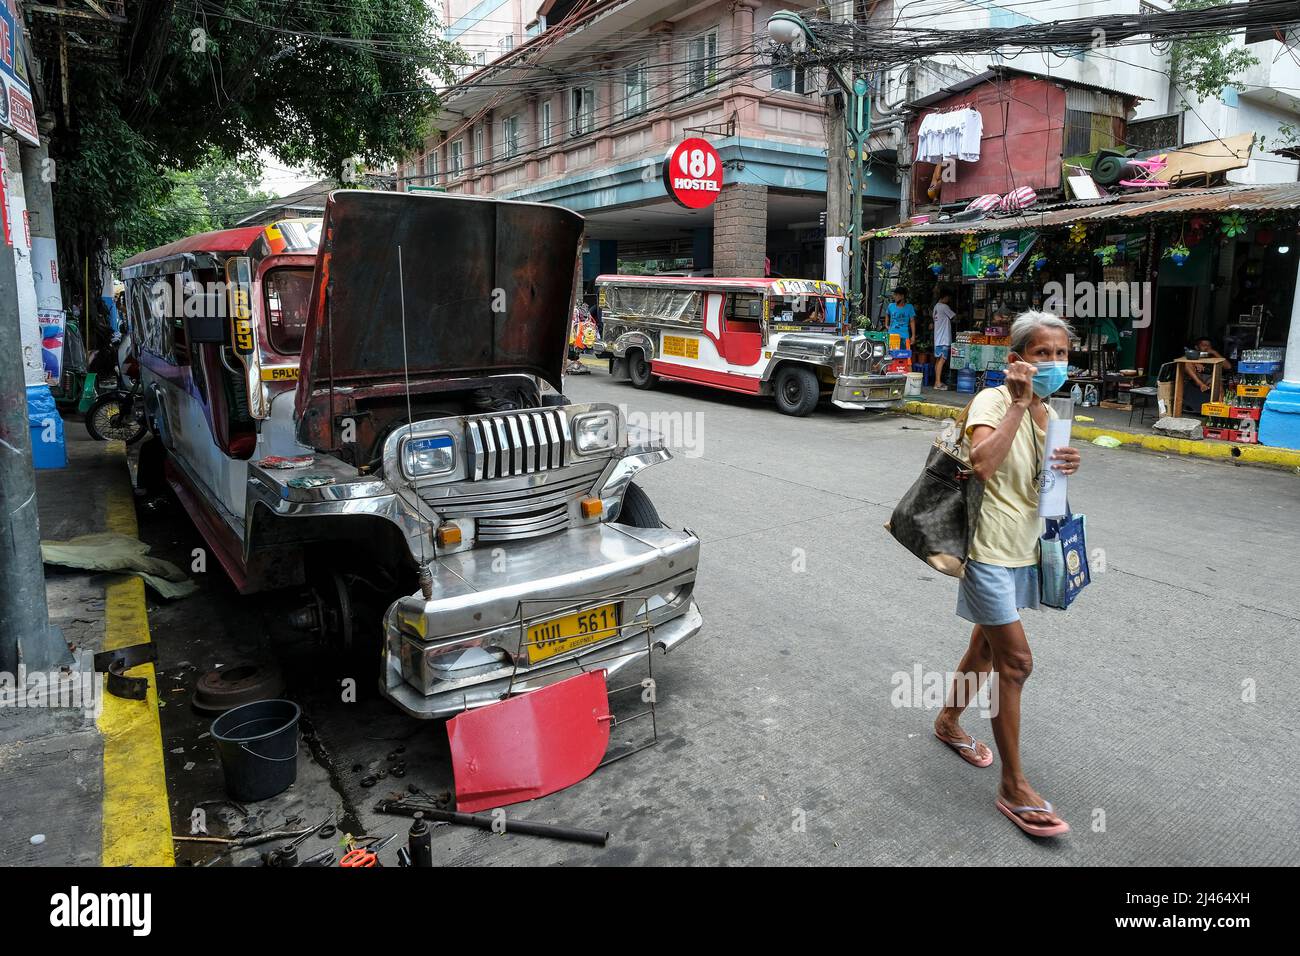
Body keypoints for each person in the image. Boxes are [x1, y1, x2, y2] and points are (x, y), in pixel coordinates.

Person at [931, 309, 1082, 838]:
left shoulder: (1049, 412)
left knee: (986, 650)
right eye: (1044, 353)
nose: (1055, 363)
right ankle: (1014, 787)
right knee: (1016, 663)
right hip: (988, 549)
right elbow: (984, 465)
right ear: (1017, 359)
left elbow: (1041, 485)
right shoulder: (995, 401)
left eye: (1062, 353)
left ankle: (948, 722)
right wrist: (1019, 404)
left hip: (1025, 549)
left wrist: (1065, 466)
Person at [1181, 336, 1227, 413]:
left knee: (1219, 385)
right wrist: (1195, 363)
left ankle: (1219, 412)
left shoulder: (1213, 355)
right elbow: (1183, 360)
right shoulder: (1192, 354)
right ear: (1197, 347)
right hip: (1197, 378)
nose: (1206, 347)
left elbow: (1228, 366)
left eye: (1208, 345)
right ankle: (1200, 384)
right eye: (1204, 345)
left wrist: (1215, 353)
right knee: (1187, 363)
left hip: (1209, 377)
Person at [931, 288, 955, 389]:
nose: (948, 300)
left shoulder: (936, 307)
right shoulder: (944, 307)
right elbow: (954, 316)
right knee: (942, 360)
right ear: (945, 297)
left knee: (938, 360)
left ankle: (936, 382)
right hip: (944, 339)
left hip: (938, 339)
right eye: (948, 298)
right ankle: (938, 383)